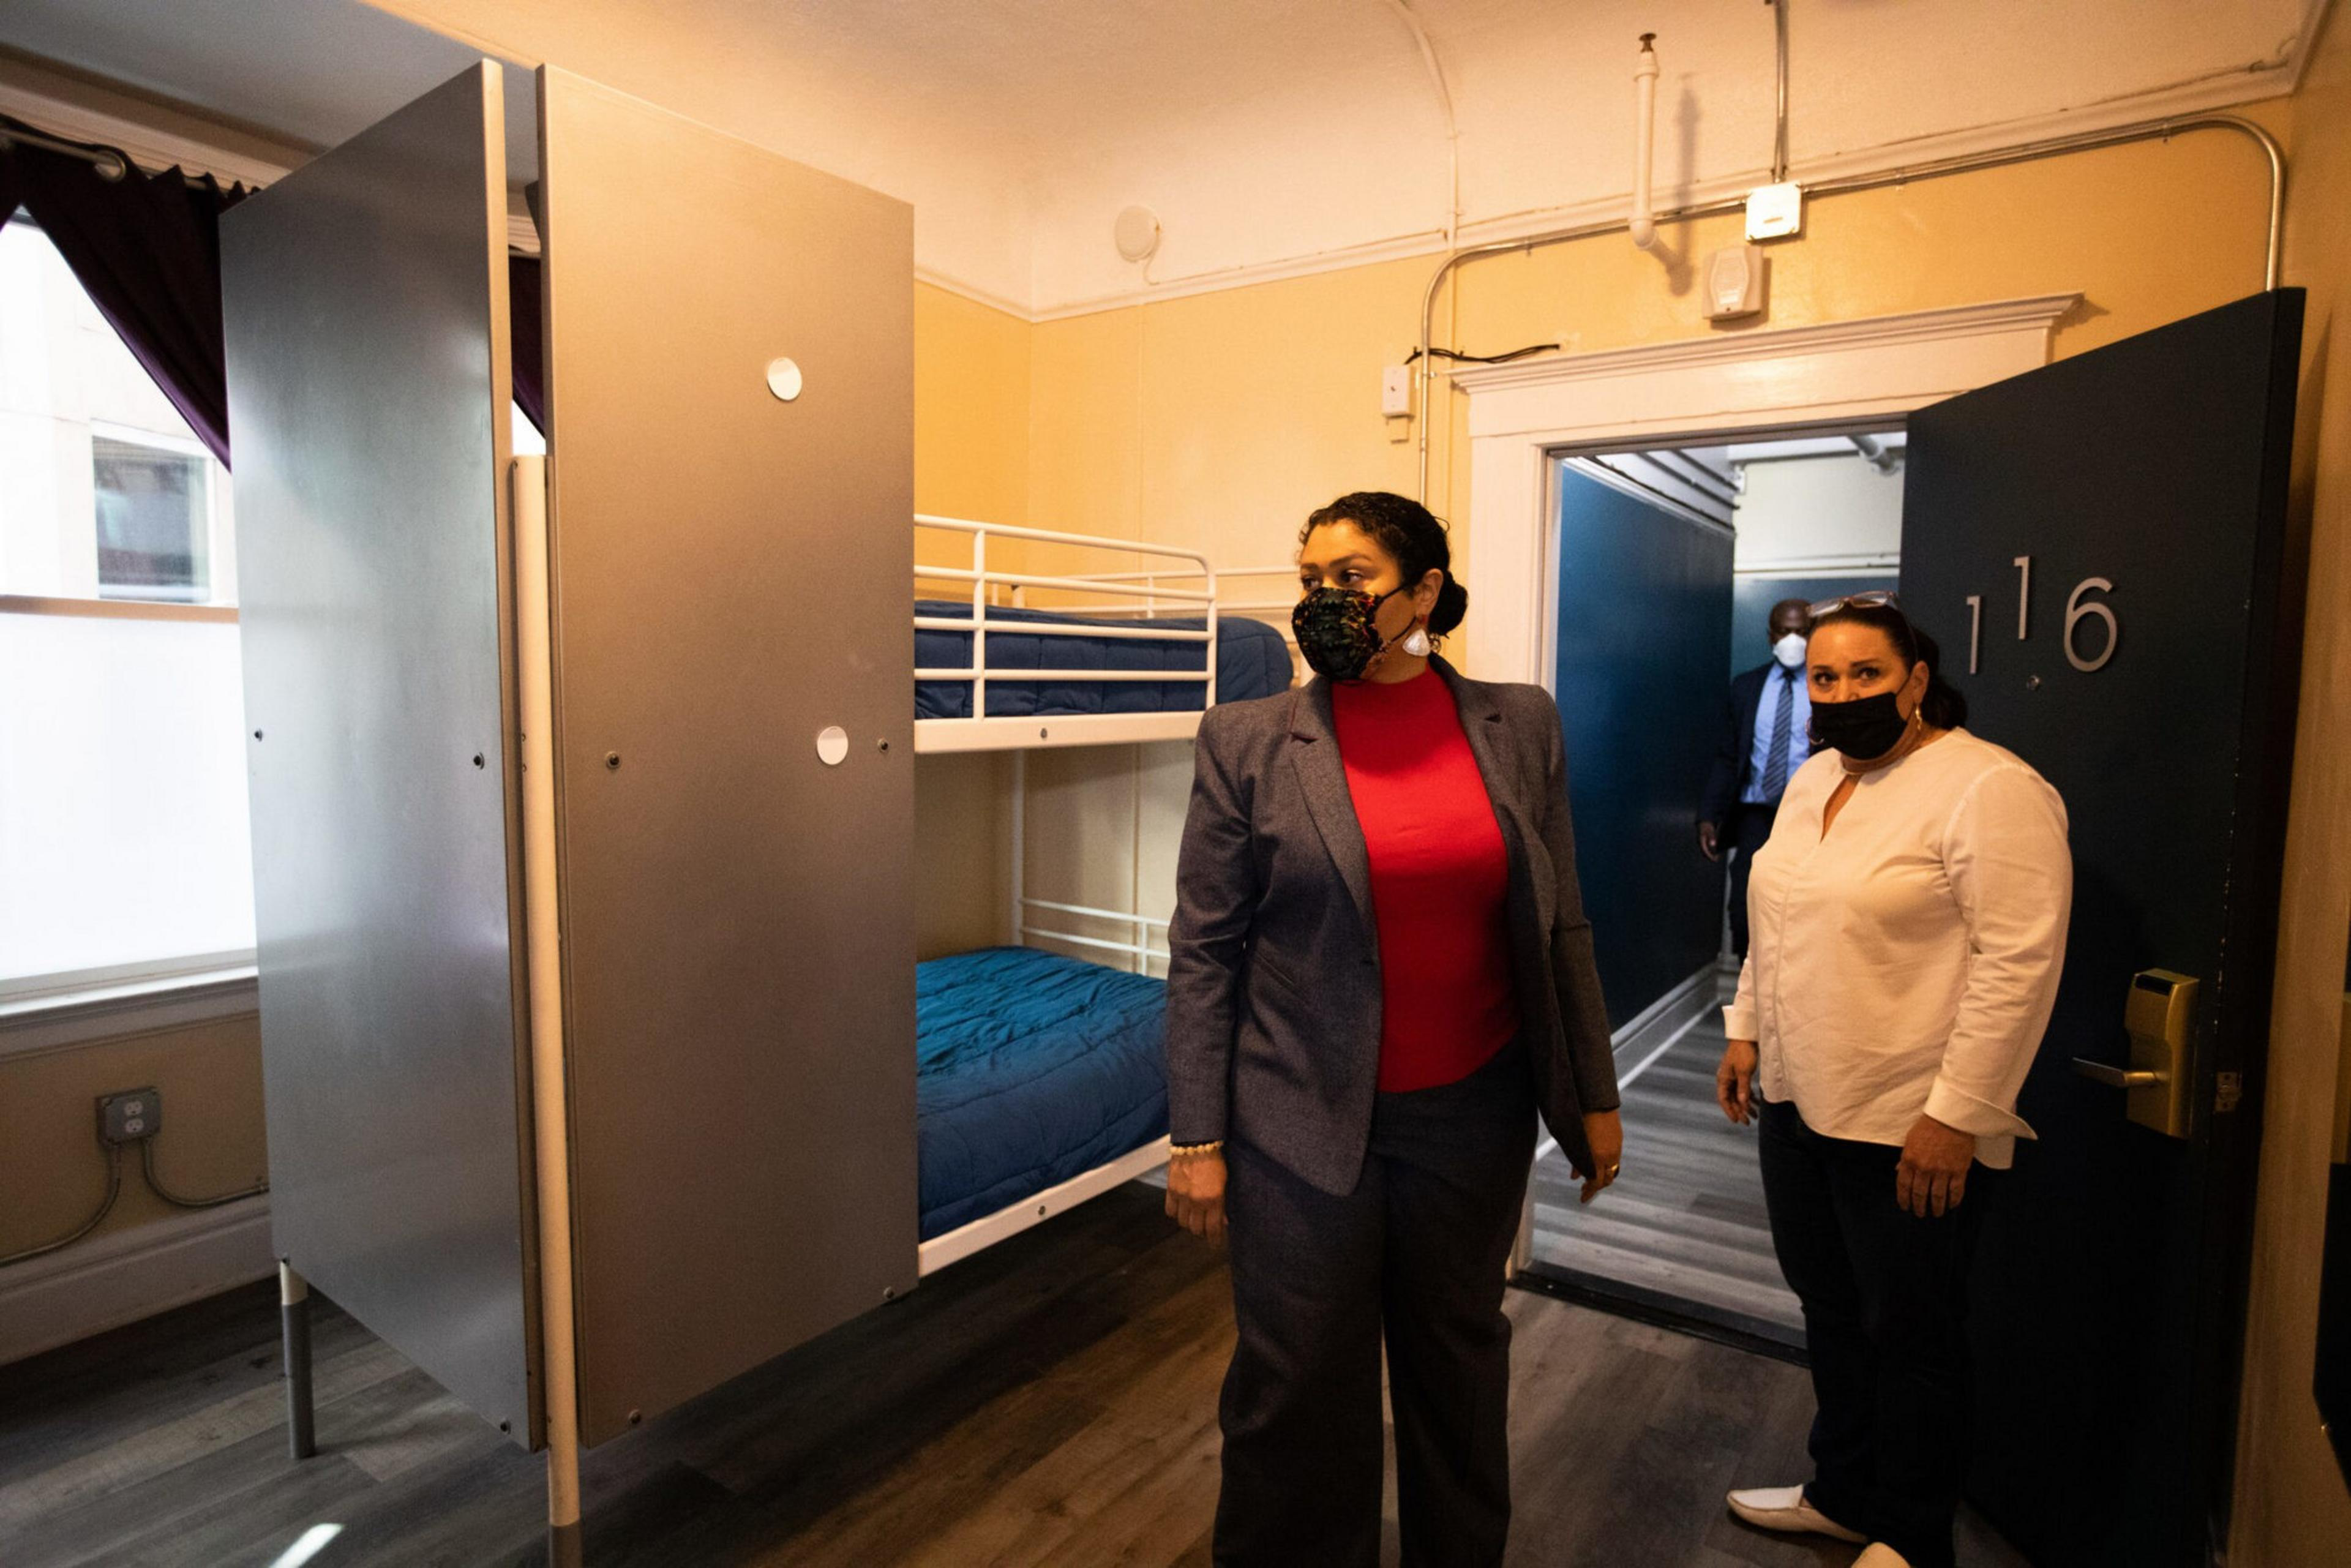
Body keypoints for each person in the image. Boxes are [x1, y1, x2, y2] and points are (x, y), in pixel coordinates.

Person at [1161, 490, 1622, 1566]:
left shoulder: (1522, 722)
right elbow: (1204, 947)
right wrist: (1197, 1136)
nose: (1325, 597)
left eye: (1354, 576)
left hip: (1473, 1110)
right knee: (1295, 1384)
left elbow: (1561, 922)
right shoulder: (1248, 739)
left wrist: (1594, 1095)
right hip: (1297, 1118)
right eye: (1312, 577)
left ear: (1424, 593)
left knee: (1457, 1364)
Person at [1714, 593, 2071, 1568]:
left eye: (1866, 674)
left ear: (1917, 679)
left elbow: (2019, 964)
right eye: (1825, 678)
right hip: (1797, 1098)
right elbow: (1776, 916)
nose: (1841, 694)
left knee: (1912, 1333)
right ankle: (1844, 1493)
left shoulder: (1986, 787)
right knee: (1830, 1312)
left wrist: (1957, 1114)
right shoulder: (1813, 777)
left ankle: (1911, 1534)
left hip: (1905, 1118)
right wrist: (1747, 1032)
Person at [1698, 596, 1817, 956]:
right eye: (1785, 631)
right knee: (1745, 906)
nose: (1792, 639)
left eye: (1801, 632)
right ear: (1771, 635)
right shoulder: (1747, 687)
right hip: (1755, 814)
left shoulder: (1825, 686)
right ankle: (1750, 987)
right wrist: (1709, 815)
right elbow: (1729, 756)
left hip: (1808, 815)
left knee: (1804, 907)